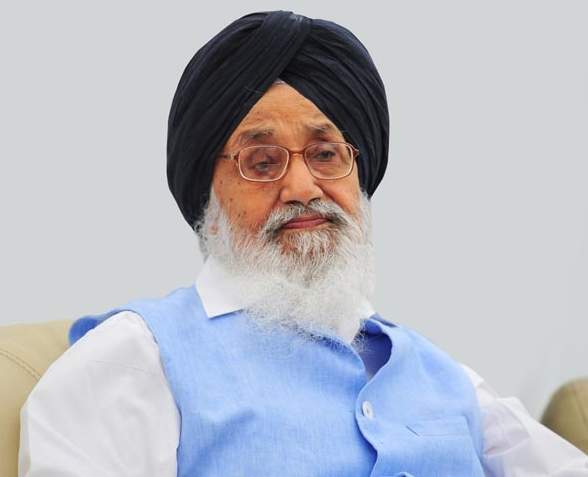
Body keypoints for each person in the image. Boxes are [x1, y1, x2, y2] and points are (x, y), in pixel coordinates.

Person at [18, 10, 587, 477]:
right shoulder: (134, 359)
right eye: (262, 162)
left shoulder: (449, 380)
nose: (301, 187)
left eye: (325, 154)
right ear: (206, 198)